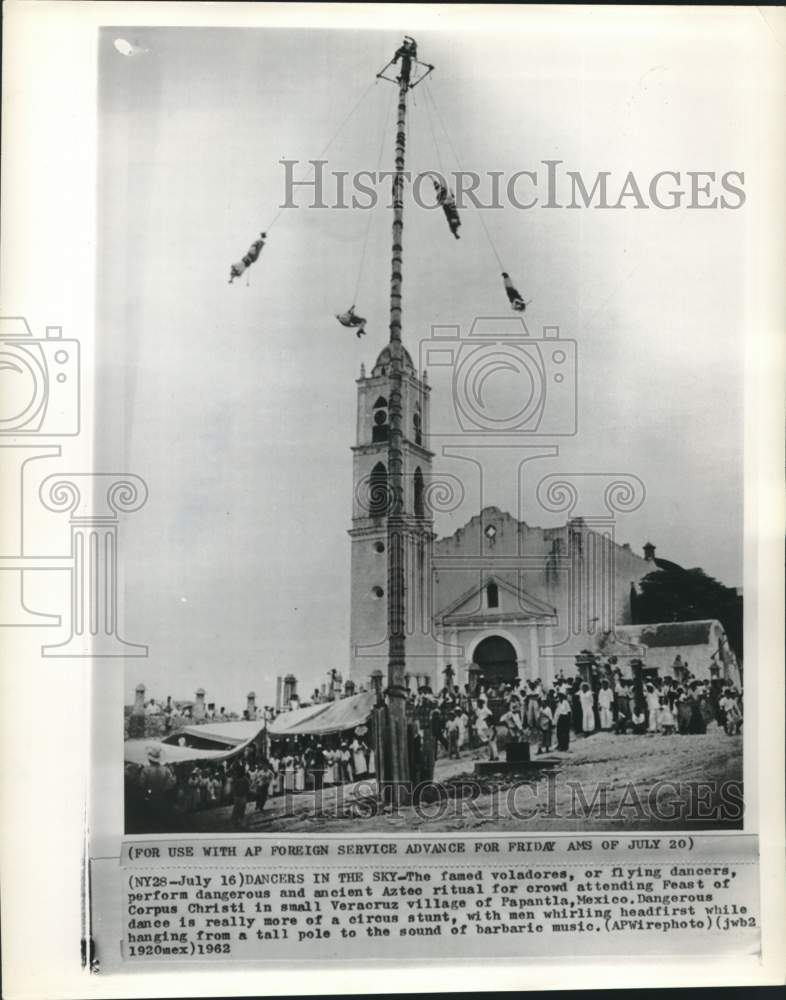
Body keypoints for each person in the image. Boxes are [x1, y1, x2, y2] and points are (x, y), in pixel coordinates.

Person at [230, 761, 249, 830]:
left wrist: (246, 794)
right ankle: (235, 821)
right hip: (238, 796)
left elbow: (247, 787)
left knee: (242, 809)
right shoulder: (237, 779)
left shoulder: (245, 779)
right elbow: (234, 788)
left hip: (242, 796)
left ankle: (240, 820)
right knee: (237, 809)